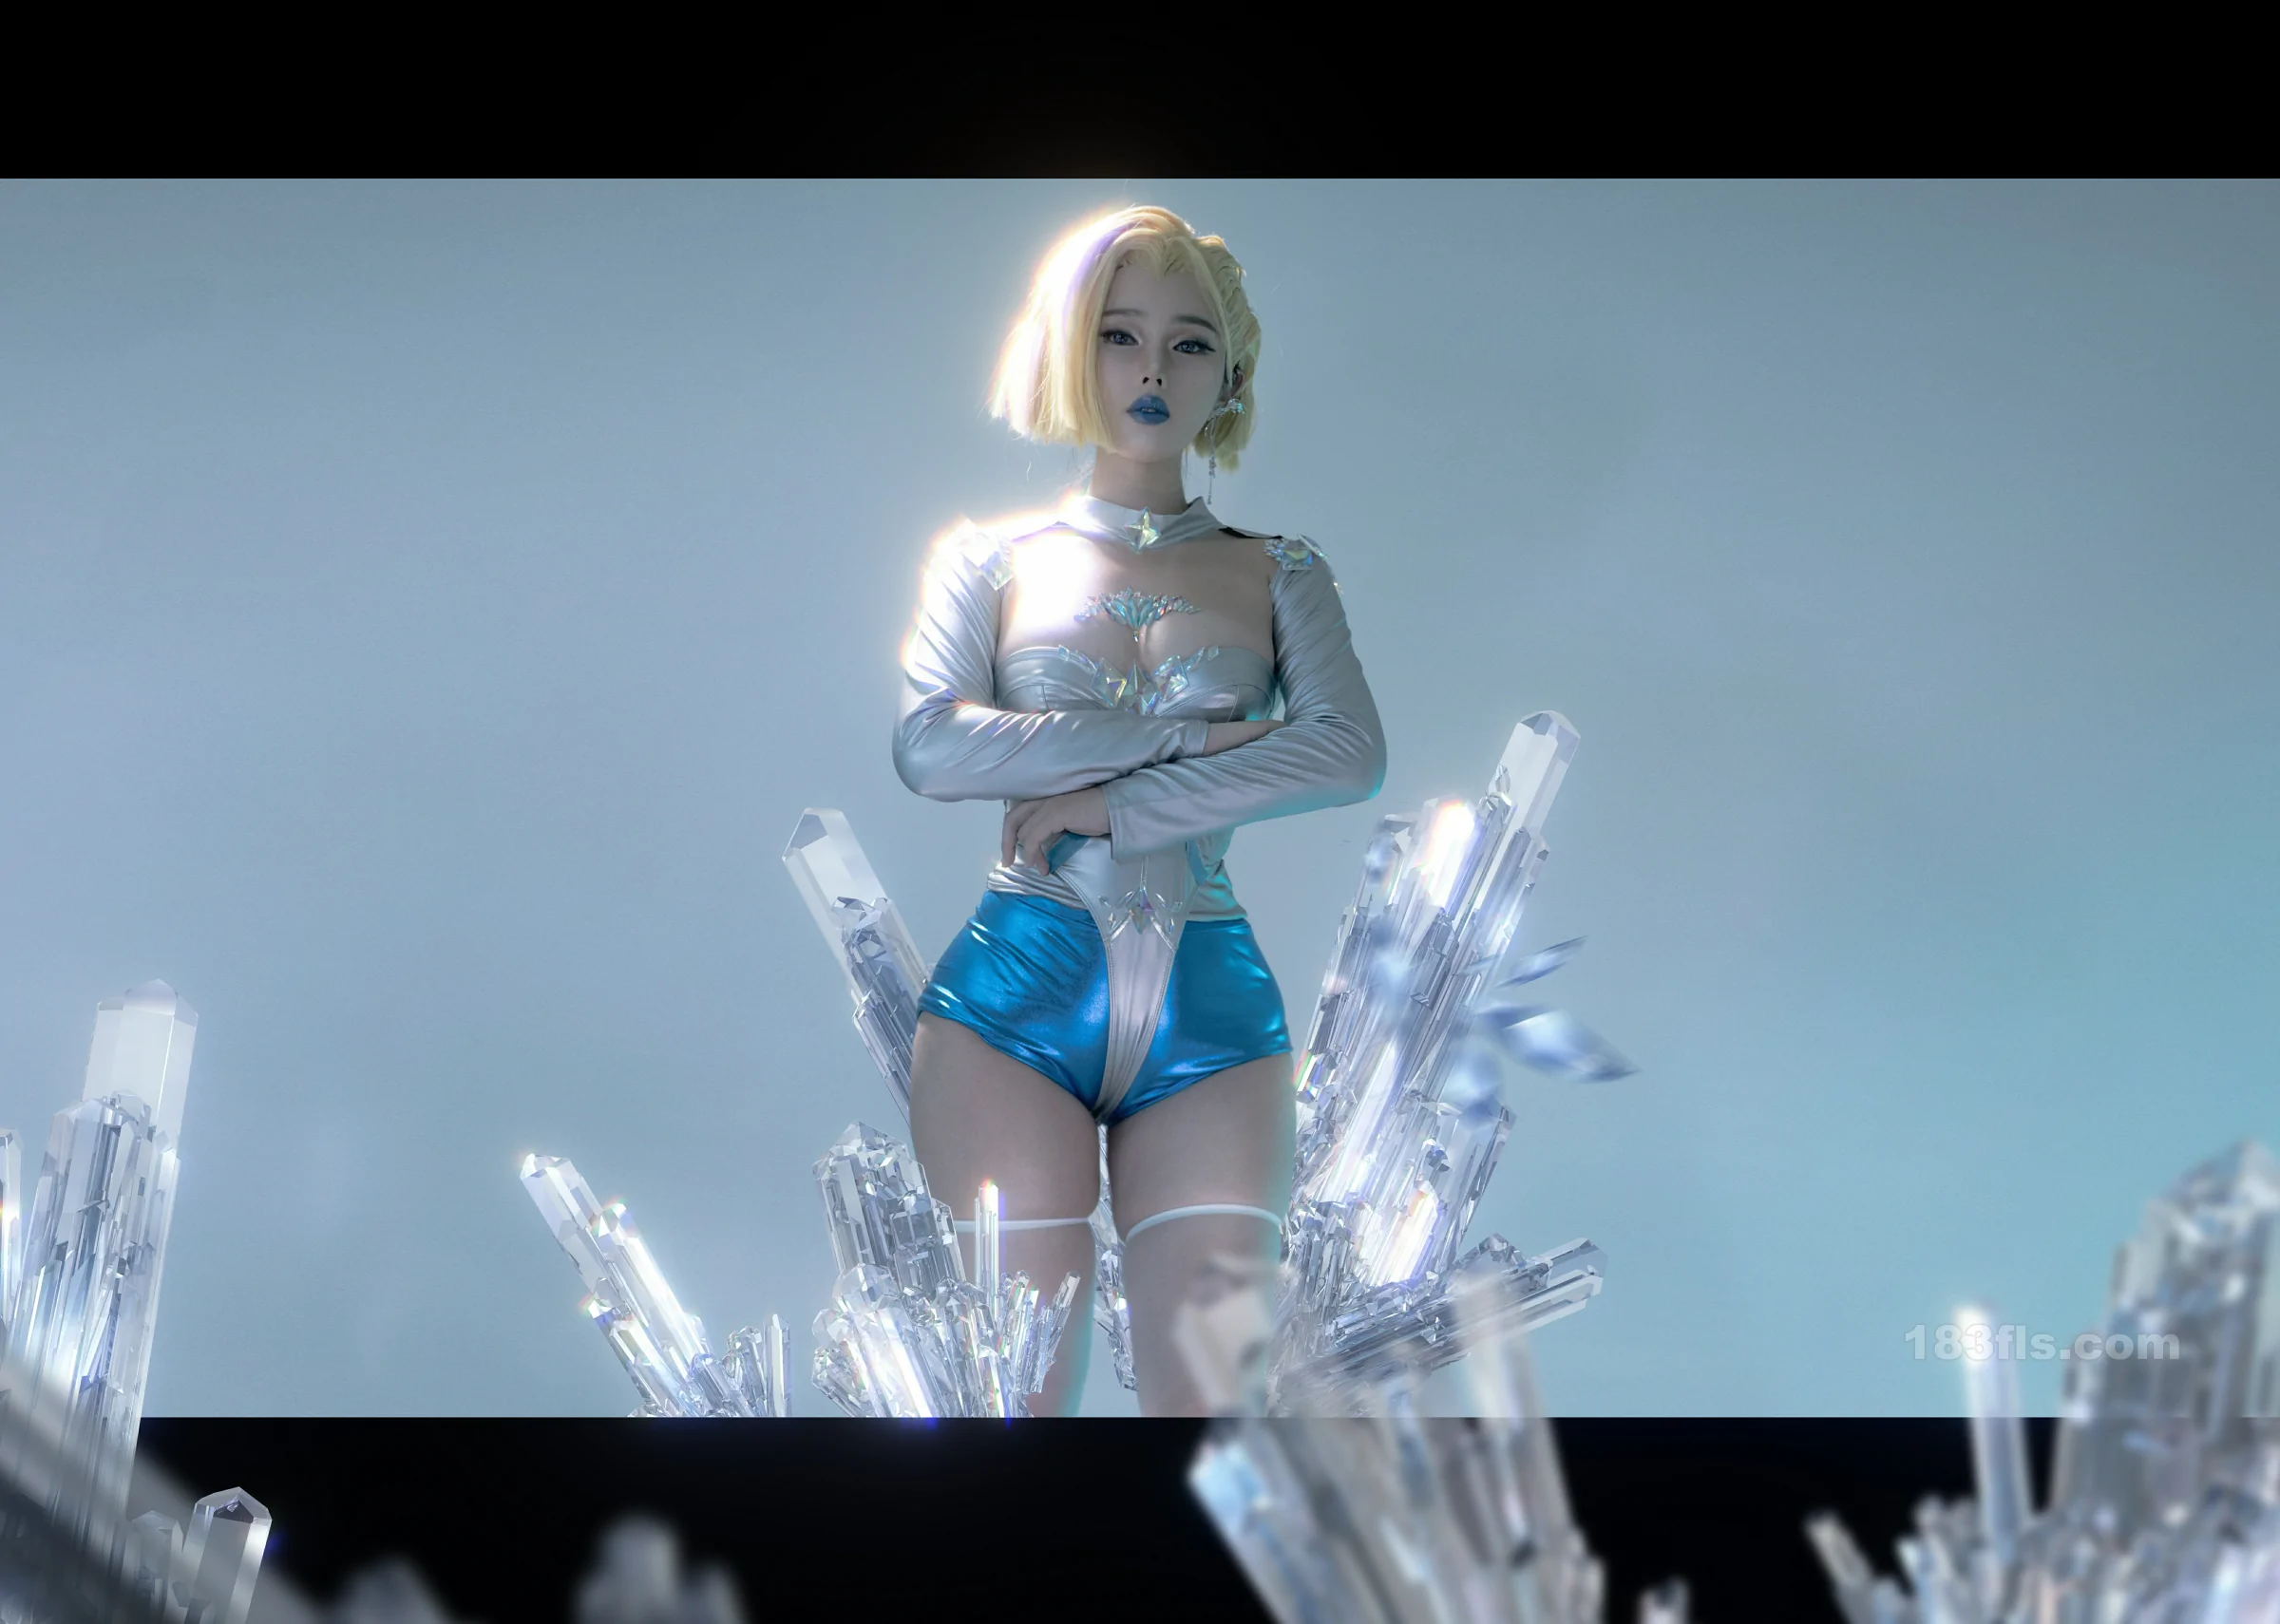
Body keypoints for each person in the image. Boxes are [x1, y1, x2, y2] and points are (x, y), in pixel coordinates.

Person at [892, 205, 1385, 1415]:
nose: (1153, 368)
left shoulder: (1281, 570)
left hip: (1212, 1016)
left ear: (1233, 374)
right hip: (1014, 1001)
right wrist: (1195, 737)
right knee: (1011, 1412)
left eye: (1189, 342)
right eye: (1120, 335)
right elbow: (931, 747)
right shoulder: (986, 559)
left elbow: (1347, 753)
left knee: (1215, 1429)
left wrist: (1120, 805)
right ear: (1073, 349)